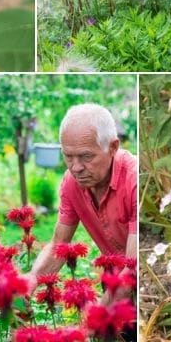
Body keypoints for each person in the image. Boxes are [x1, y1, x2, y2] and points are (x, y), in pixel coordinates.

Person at [29, 103, 136, 299]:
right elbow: (58, 245)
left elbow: (133, 271)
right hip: (113, 277)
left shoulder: (135, 181)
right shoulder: (72, 183)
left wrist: (95, 320)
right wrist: (33, 279)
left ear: (112, 147)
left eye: (86, 156)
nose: (76, 167)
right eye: (68, 156)